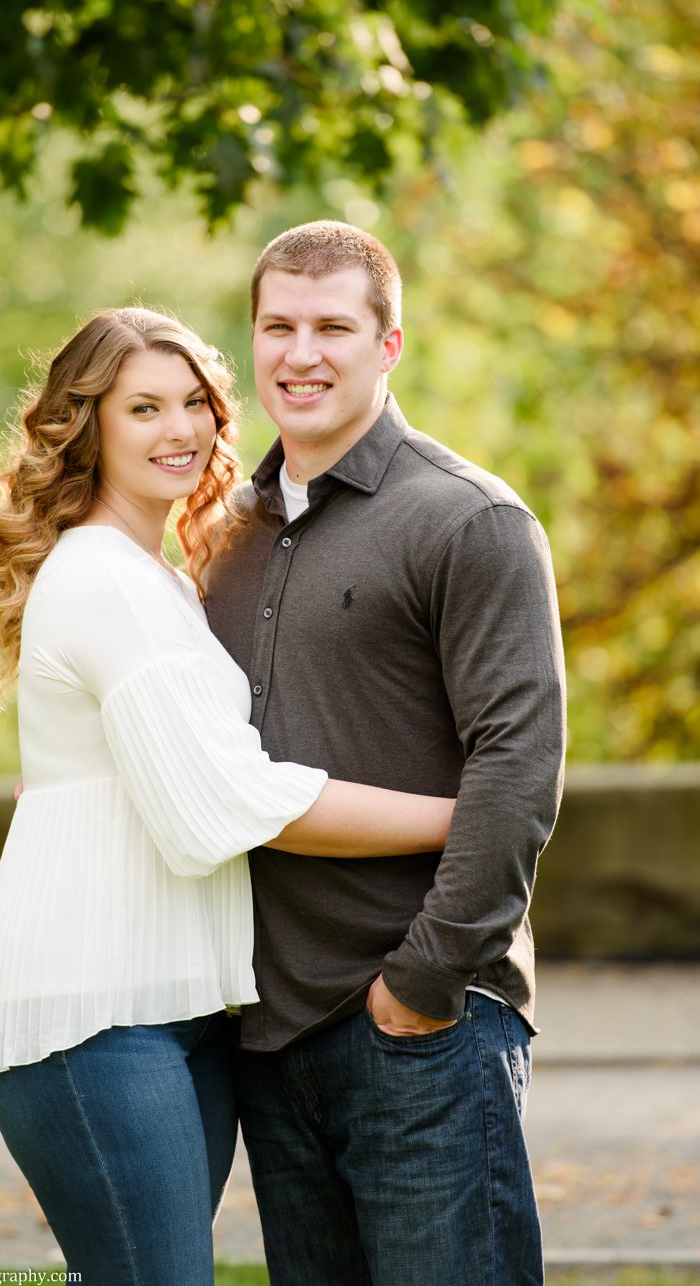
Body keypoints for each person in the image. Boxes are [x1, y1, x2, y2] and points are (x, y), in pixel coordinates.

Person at [0, 306, 458, 1285]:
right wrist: (463, 817)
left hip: (180, 1002)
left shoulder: (164, 581)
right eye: (144, 408)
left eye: (194, 403)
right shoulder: (101, 577)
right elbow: (222, 805)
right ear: (87, 426)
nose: (179, 429)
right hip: (91, 1011)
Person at [203, 221, 567, 1286]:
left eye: (333, 328)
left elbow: (518, 766)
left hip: (420, 1029)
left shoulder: (469, 519)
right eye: (278, 326)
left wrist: (421, 985)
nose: (300, 354)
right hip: (270, 1038)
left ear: (389, 344)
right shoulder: (223, 531)